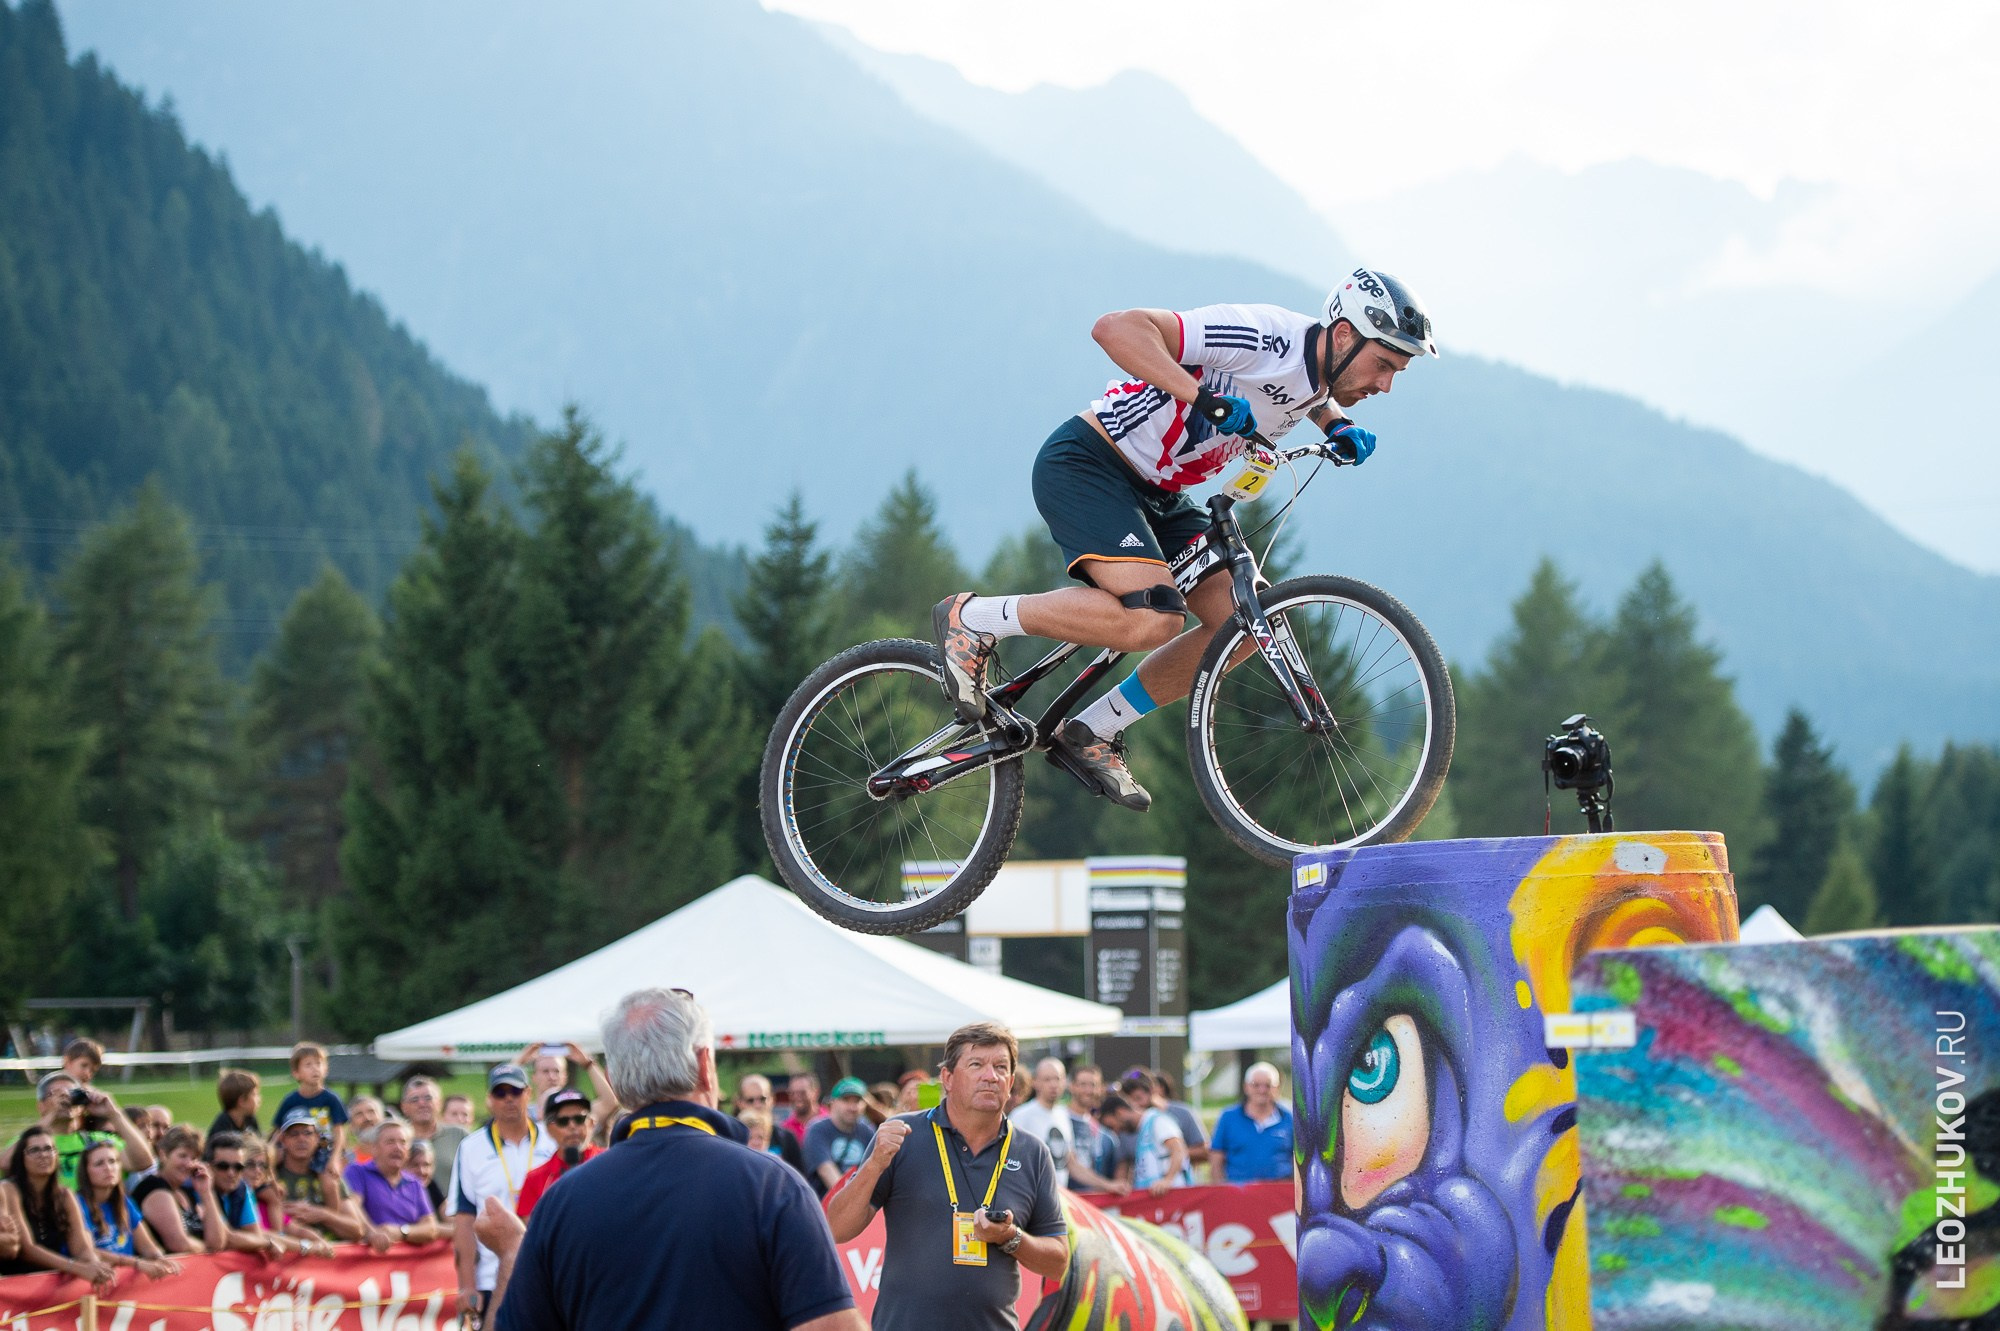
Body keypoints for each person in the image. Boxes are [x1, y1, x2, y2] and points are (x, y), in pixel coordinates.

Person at [931, 271, 1436, 811]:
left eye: (1395, 372)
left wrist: (1332, 422)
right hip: (1091, 464)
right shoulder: (1263, 335)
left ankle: (1092, 731)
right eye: (1383, 365)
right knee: (1153, 616)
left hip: (1165, 494)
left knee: (1249, 628)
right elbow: (1115, 329)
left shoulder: (1320, 371)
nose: (1385, 386)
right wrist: (1201, 398)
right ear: (1342, 336)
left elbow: (1293, 389)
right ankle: (976, 619)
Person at [490, 988, 863, 1331]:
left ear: (615, 1081)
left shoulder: (561, 1201)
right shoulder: (774, 1186)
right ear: (706, 1066)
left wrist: (511, 1254)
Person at [828, 1022, 1069, 1330]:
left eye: (1000, 1067)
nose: (990, 1076)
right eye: (976, 1064)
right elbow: (837, 1228)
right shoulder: (903, 1135)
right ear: (948, 1078)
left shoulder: (1032, 1152)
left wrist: (1010, 1238)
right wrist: (874, 1164)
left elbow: (1058, 1261)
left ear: (1010, 1082)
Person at [449, 1064, 557, 1321]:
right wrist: (467, 1284)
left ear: (528, 1093)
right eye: (500, 1093)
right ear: (489, 1099)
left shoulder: (552, 1140)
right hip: (492, 1273)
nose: (509, 1098)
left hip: (549, 1269)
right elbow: (464, 1219)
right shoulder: (470, 1147)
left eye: (515, 1091)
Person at [0, 1126, 115, 1288]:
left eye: (49, 1149)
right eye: (34, 1150)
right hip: (17, 1287)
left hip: (52, 1284)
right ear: (21, 1158)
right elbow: (27, 1249)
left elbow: (82, 1247)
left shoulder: (65, 1195)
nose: (44, 1155)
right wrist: (78, 1268)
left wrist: (94, 1266)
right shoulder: (8, 1190)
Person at [13, 1071, 153, 1189]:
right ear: (41, 1106)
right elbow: (7, 1163)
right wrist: (51, 1115)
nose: (65, 1097)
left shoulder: (98, 1141)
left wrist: (114, 1114)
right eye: (55, 1094)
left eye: (71, 1093)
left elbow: (144, 1162)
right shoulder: (27, 1142)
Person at [73, 1140, 179, 1279]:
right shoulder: (77, 1204)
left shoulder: (124, 1202)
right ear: (86, 1172)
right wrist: (136, 1263)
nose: (108, 1168)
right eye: (99, 1163)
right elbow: (86, 1252)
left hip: (121, 1281)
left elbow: (147, 1247)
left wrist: (159, 1258)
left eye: (113, 1161)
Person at [270, 1108, 362, 1247]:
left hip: (327, 1258)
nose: (301, 1139)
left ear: (317, 1138)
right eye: (294, 1134)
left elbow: (357, 1230)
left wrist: (323, 1215)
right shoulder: (270, 1175)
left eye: (307, 1133)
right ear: (283, 1140)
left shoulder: (329, 1175)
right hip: (287, 1254)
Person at [344, 1120, 444, 1249]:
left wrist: (401, 1232)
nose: (397, 1147)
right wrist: (373, 1233)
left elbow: (431, 1228)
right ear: (374, 1148)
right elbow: (352, 1207)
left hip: (407, 1264)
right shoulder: (357, 1172)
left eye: (403, 1142)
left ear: (408, 1152)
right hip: (368, 1261)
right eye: (390, 1142)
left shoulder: (414, 1183)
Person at [130, 1126, 227, 1255]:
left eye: (193, 1158)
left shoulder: (185, 1191)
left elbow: (218, 1242)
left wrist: (206, 1193)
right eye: (182, 1156)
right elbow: (179, 1244)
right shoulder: (154, 1188)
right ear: (163, 1154)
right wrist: (208, 1249)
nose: (188, 1163)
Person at [514, 1089, 599, 1220]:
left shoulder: (612, 1163)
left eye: (579, 1119)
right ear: (548, 1129)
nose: (572, 1126)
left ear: (592, 1123)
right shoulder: (535, 1179)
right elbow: (529, 1232)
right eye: (563, 1121)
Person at [1208, 1061, 1294, 1184]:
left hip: (1279, 1192)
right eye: (1256, 1085)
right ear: (1246, 1087)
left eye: (1268, 1085)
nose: (1262, 1090)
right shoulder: (1228, 1117)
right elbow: (1216, 1156)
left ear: (1277, 1088)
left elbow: (1297, 1159)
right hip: (1239, 1192)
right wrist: (1220, 1190)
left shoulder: (1289, 1117)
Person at [274, 1042, 349, 1170]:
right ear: (296, 1073)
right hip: (296, 1152)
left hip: (325, 1152)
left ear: (326, 1069)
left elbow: (339, 1132)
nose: (315, 1068)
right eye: (308, 1065)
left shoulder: (331, 1099)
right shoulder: (290, 1101)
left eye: (318, 1064)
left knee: (329, 1181)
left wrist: (335, 1159)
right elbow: (278, 1131)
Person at [1007, 1058, 1079, 1191]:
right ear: (1035, 1082)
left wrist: (1107, 1185)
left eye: (1057, 1079)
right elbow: (1010, 1163)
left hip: (1061, 1199)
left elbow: (1070, 1162)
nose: (1053, 1084)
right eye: (1047, 1079)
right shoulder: (1021, 1115)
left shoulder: (1063, 1115)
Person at [803, 1078, 875, 1198]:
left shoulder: (867, 1131)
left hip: (858, 1202)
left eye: (857, 1101)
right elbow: (826, 1171)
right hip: (825, 1206)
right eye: (846, 1100)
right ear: (832, 1102)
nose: (852, 1107)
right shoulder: (818, 1130)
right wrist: (854, 1201)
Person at [1127, 1073, 1192, 1195]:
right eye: (1131, 1101)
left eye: (1138, 1098)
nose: (1136, 1105)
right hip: (1155, 1192)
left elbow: (1178, 1149)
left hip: (1171, 1190)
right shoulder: (1144, 1123)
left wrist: (1167, 1180)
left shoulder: (1158, 1119)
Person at [737, 1074, 808, 1176]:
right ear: (740, 1103)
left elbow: (801, 1180)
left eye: (762, 1099)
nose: (757, 1105)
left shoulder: (787, 1138)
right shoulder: (730, 1137)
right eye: (750, 1100)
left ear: (772, 1099)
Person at [1152, 1071, 1210, 1168]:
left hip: (1179, 1179)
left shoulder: (1182, 1113)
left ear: (1161, 1088)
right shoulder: (1136, 1119)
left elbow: (1205, 1150)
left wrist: (1174, 1153)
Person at [1093, 1093, 1140, 1191]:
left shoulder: (1154, 1121)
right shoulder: (1122, 1138)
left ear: (1119, 1113)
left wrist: (1167, 1179)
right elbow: (1122, 1169)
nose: (1115, 1131)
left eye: (1112, 1126)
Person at [209, 1068, 263, 1140]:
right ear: (242, 1101)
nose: (259, 1099)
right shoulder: (222, 1128)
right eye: (254, 1094)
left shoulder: (250, 1119)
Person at [781, 1073, 824, 1144]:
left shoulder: (829, 1120)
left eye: (802, 1093)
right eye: (792, 1093)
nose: (796, 1097)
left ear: (816, 1092)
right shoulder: (785, 1128)